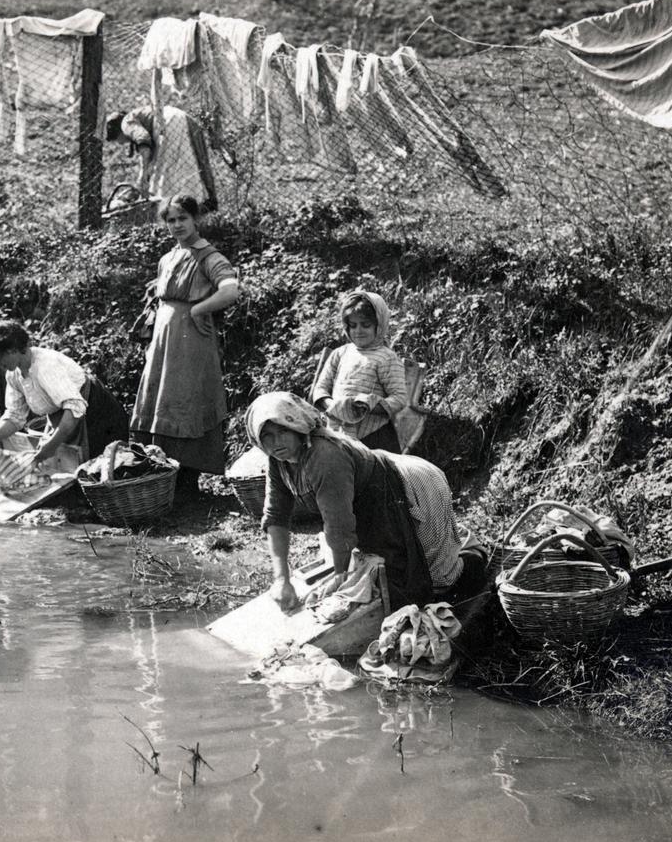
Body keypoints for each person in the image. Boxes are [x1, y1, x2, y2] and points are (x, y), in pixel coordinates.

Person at [246, 392, 483, 615]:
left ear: (299, 428)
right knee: (376, 574)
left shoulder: (325, 456)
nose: (276, 442)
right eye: (267, 436)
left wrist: (341, 578)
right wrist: (281, 580)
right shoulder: (279, 461)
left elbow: (338, 526)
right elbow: (276, 516)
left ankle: (473, 559)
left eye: (283, 432)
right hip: (369, 498)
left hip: (407, 483)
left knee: (425, 580)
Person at [129, 194, 240, 496]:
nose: (177, 225)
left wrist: (198, 309)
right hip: (164, 339)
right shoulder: (168, 258)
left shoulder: (209, 256)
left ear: (196, 220)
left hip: (191, 340)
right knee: (161, 398)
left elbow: (230, 291)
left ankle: (188, 480)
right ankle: (160, 473)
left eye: (183, 219)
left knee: (185, 398)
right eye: (171, 220)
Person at [0, 320, 128, 466]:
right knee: (63, 465)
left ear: (12, 349)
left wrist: (51, 446)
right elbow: (15, 416)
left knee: (97, 468)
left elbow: (75, 407)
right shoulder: (14, 375)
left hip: (98, 416)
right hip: (65, 417)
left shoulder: (45, 365)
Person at [311, 290, 408, 454]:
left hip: (374, 436)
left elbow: (399, 397)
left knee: (375, 476)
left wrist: (368, 406)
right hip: (338, 432)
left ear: (379, 325)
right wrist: (334, 406)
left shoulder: (387, 358)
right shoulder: (340, 354)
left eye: (366, 325)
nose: (358, 331)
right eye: (353, 325)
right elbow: (320, 389)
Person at [106, 106, 218, 211]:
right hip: (184, 118)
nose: (120, 143)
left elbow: (143, 140)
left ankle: (178, 210)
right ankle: (200, 205)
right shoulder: (139, 117)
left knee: (168, 177)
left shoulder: (126, 122)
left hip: (167, 123)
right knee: (191, 167)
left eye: (117, 140)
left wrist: (143, 176)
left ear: (117, 131)